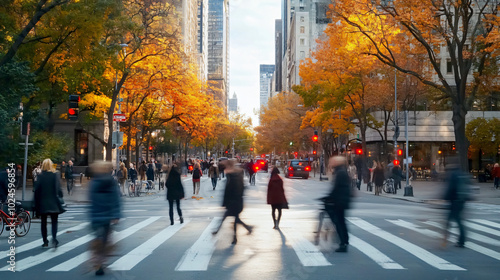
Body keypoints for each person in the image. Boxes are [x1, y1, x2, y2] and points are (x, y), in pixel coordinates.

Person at [88, 161, 122, 276]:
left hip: (96, 216)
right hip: (107, 215)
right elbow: (116, 199)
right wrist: (116, 215)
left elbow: (91, 200)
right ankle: (101, 261)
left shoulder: (93, 182)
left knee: (98, 238)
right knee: (105, 240)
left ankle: (97, 261)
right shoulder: (111, 182)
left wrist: (91, 215)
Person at [212, 160, 253, 245]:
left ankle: (220, 232)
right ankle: (240, 234)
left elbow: (228, 192)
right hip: (237, 202)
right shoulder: (237, 176)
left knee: (227, 218)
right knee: (235, 219)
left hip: (233, 202)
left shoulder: (231, 177)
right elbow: (241, 189)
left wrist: (225, 202)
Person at [34, 158, 65, 248]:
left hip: (43, 203)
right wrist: (61, 195)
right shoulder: (55, 175)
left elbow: (37, 191)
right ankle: (54, 238)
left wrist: (36, 204)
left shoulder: (40, 176)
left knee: (43, 222)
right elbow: (58, 189)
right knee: (54, 222)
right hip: (54, 203)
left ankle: (45, 241)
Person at [325, 156, 351, 252]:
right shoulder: (341, 171)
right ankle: (344, 241)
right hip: (342, 200)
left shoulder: (340, 173)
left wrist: (328, 198)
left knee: (339, 222)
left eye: (332, 162)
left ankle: (343, 243)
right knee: (341, 222)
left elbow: (336, 188)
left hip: (340, 201)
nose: (331, 163)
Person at [442, 161, 471, 248]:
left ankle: (445, 240)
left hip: (454, 201)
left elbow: (451, 188)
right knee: (458, 221)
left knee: (450, 220)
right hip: (461, 200)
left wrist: (445, 197)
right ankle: (460, 240)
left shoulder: (453, 175)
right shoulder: (461, 174)